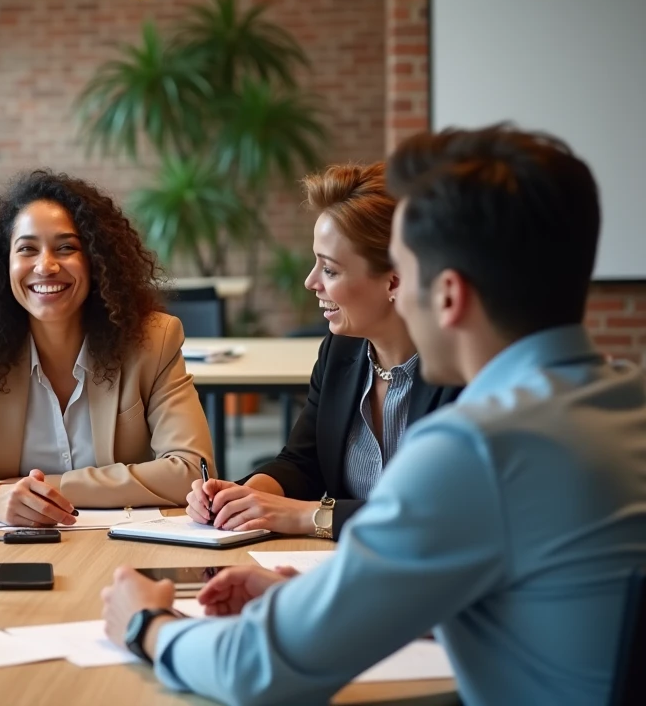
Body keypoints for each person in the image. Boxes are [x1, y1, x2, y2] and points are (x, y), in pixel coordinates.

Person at [101, 125, 646, 705]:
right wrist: (328, 603)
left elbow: (256, 672)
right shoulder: (626, 399)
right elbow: (539, 598)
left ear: (447, 296)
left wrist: (146, 625)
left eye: (406, 275)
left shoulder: (476, 449)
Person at [0, 170, 214, 526]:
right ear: (5, 265)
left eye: (66, 247)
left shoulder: (152, 341)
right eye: (27, 249)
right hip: (14, 551)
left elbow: (191, 470)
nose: (46, 266)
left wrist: (49, 488)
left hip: (124, 549)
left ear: (96, 262)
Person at [186, 163, 459, 539]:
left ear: (394, 280)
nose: (310, 281)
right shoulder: (341, 352)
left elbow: (440, 512)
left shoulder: (459, 371)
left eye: (329, 269)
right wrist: (244, 494)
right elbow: (303, 460)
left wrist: (311, 516)